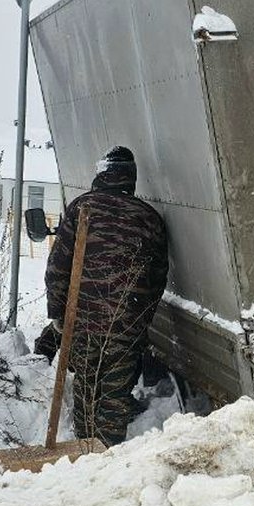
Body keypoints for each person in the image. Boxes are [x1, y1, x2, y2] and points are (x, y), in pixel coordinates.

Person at [36, 146, 169, 446]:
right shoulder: (149, 218)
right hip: (126, 322)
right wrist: (141, 320)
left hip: (83, 320)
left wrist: (57, 313)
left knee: (87, 386)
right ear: (130, 177)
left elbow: (58, 266)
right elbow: (158, 278)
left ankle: (86, 452)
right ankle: (106, 454)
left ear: (102, 173)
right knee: (114, 395)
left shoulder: (82, 208)